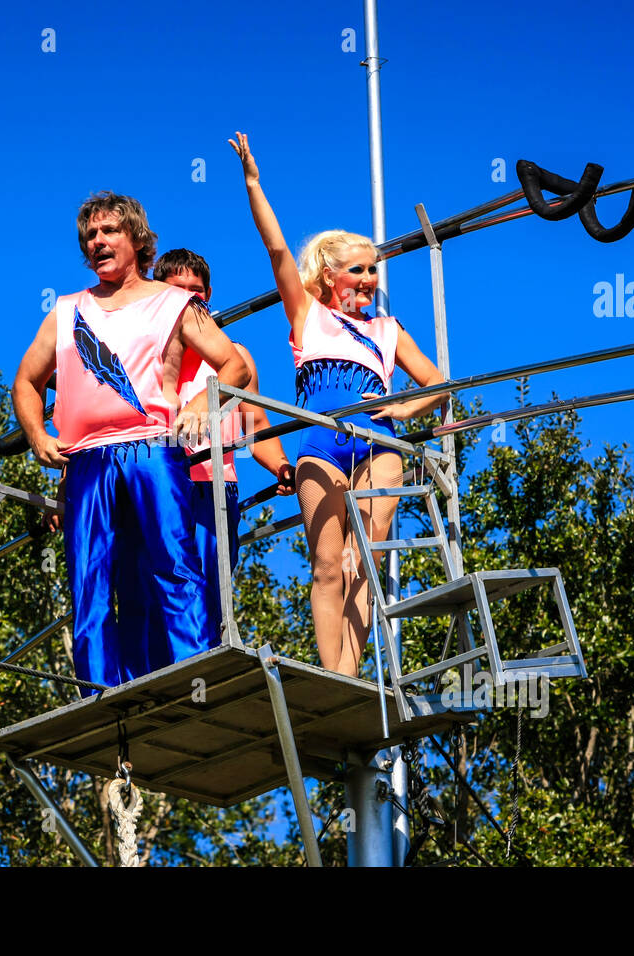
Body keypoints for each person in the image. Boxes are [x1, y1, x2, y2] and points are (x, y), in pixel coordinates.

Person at [229, 132, 450, 678]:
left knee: (366, 560)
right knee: (329, 564)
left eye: (374, 271)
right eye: (359, 270)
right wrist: (254, 183)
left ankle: (352, 670)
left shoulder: (388, 329)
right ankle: (338, 677)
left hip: (378, 441)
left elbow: (439, 386)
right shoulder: (307, 314)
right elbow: (278, 250)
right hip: (319, 444)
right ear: (330, 276)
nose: (370, 280)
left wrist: (403, 410)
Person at [13, 192, 250, 694]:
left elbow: (234, 365)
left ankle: (193, 677)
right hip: (87, 462)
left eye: (108, 232)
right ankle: (99, 695)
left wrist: (196, 408)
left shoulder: (176, 303)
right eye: (90, 236)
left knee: (174, 564)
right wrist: (37, 434)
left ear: (137, 240)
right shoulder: (67, 309)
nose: (98, 242)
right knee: (89, 580)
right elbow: (26, 380)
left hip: (152, 449)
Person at [148, 248, 295, 637]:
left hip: (215, 488)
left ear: (208, 296)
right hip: (154, 485)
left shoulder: (233, 357)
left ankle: (205, 676)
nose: (187, 299)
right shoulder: (144, 353)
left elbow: (254, 429)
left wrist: (281, 466)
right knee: (157, 595)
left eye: (195, 292)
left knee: (211, 596)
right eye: (176, 290)